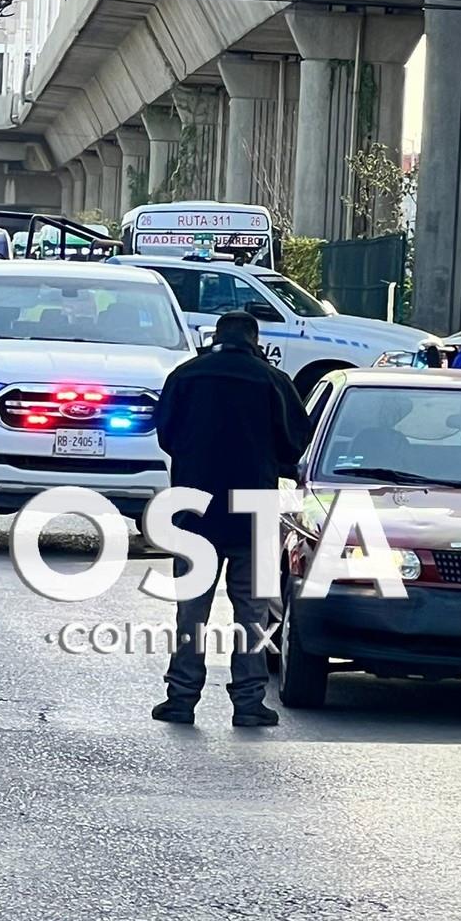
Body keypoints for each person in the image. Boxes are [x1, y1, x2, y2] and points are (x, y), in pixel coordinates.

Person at [153, 310, 310, 728]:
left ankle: (181, 700)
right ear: (254, 340)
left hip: (193, 513)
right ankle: (248, 702)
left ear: (216, 337)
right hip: (252, 512)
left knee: (191, 613)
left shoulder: (185, 376)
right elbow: (296, 440)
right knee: (251, 614)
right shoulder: (273, 381)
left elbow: (166, 434)